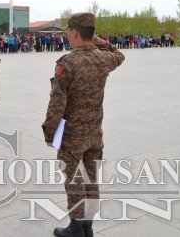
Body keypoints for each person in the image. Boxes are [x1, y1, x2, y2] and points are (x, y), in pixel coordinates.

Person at [41, 12, 125, 237]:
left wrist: (50, 133)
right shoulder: (104, 58)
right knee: (91, 178)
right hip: (95, 133)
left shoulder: (67, 62)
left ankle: (76, 228)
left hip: (71, 135)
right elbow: (119, 54)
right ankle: (88, 225)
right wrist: (96, 41)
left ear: (74, 32)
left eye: (69, 31)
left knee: (74, 179)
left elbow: (57, 103)